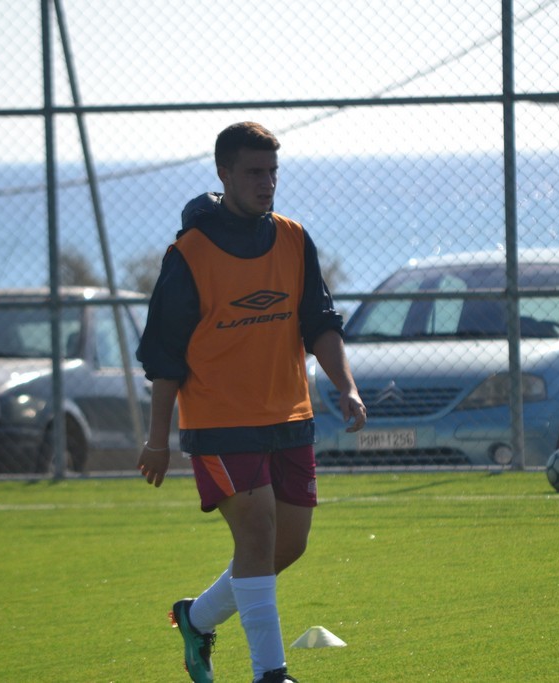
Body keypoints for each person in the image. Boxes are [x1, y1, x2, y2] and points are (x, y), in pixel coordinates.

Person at [136, 121, 367, 683]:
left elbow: (320, 322)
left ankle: (196, 618)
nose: (267, 183)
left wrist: (346, 385)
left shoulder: (293, 238)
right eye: (253, 172)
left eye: (272, 172)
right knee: (258, 533)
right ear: (224, 174)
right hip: (219, 422)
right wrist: (157, 439)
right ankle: (271, 673)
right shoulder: (189, 254)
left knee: (288, 544)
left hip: (289, 415)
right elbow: (164, 357)